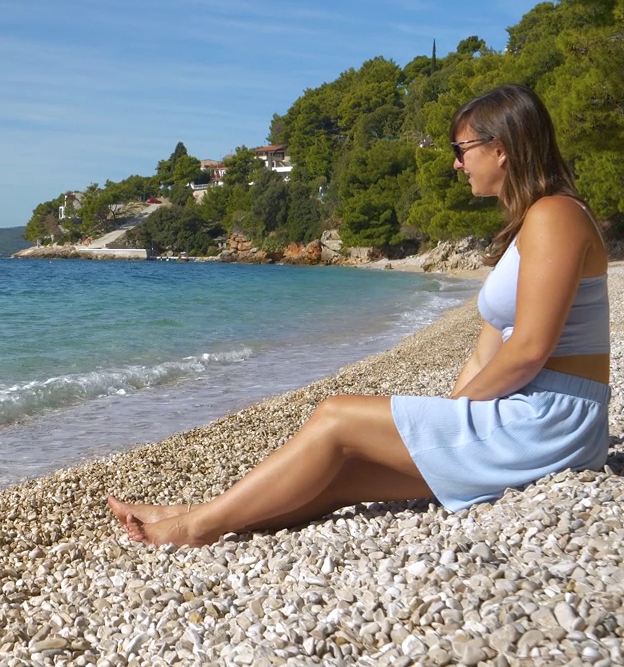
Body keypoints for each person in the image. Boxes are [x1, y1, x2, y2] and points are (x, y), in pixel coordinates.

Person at [109, 83, 611, 546]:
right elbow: (489, 343)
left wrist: (458, 413)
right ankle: (199, 511)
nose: (457, 165)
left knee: (336, 416)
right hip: (527, 413)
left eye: (462, 150)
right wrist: (449, 412)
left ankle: (192, 528)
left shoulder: (555, 215)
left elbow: (527, 350)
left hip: (550, 421)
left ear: (499, 148)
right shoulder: (530, 224)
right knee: (338, 480)